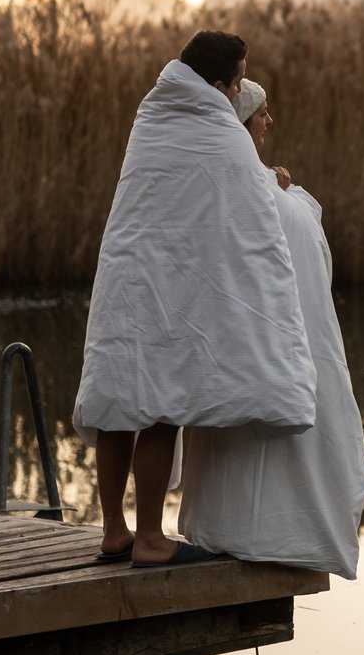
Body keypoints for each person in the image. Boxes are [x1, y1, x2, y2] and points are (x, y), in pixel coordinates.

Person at [72, 33, 318, 567]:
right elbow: (248, 215)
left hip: (124, 276)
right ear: (215, 85)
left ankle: (113, 530)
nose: (237, 95)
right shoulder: (220, 129)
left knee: (118, 401)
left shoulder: (152, 116)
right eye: (235, 82)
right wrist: (272, 184)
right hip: (169, 289)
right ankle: (151, 540)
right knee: (162, 408)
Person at [178, 79, 364, 579]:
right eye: (263, 112)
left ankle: (250, 526)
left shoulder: (264, 186)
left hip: (286, 334)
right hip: (258, 336)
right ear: (242, 120)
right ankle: (262, 529)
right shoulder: (243, 188)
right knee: (250, 436)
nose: (271, 120)